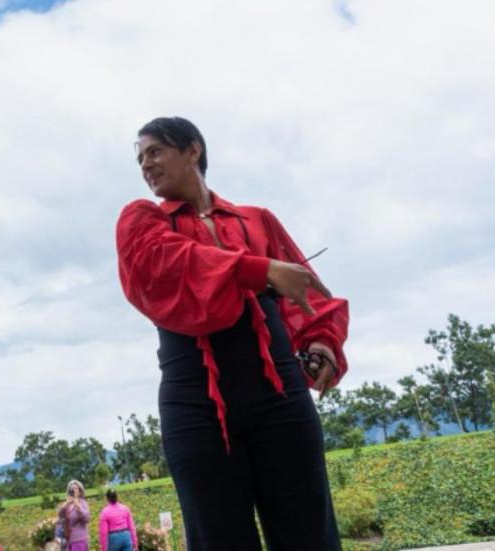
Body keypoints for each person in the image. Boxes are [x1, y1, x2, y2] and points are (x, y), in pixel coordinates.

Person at [116, 117, 350, 550]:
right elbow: (160, 265)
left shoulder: (257, 220)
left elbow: (307, 294)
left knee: (308, 531)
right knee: (218, 536)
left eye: (155, 151)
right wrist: (259, 270)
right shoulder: (144, 220)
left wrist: (321, 342)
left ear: (193, 150)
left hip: (279, 394)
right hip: (195, 402)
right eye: (140, 158)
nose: (145, 164)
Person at [57, 480, 91, 551]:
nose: (73, 490)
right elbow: (60, 515)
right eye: (71, 489)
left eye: (75, 488)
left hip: (80, 540)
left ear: (80, 491)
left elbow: (87, 518)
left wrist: (78, 506)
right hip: (69, 540)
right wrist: (65, 504)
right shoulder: (68, 504)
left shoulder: (83, 503)